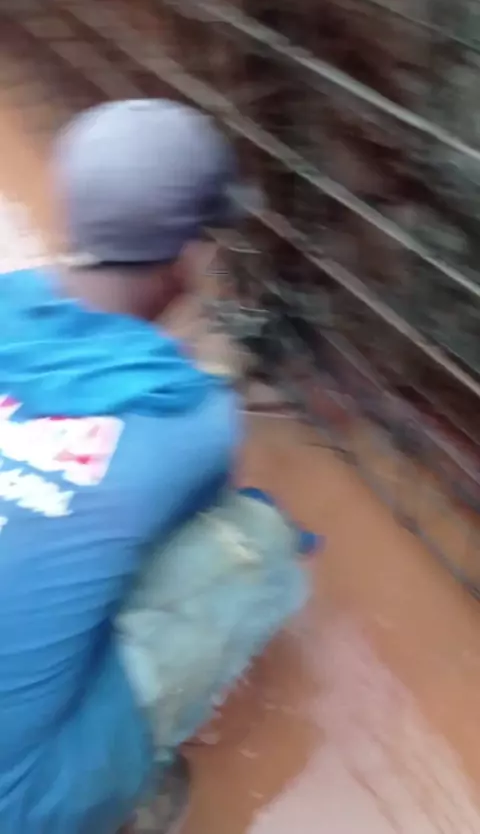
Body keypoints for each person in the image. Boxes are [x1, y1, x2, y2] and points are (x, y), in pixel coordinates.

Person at [0, 100, 308, 834]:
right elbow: (180, 515)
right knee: (257, 545)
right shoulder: (192, 418)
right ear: (191, 256)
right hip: (20, 807)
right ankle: (119, 793)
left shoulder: (9, 297)